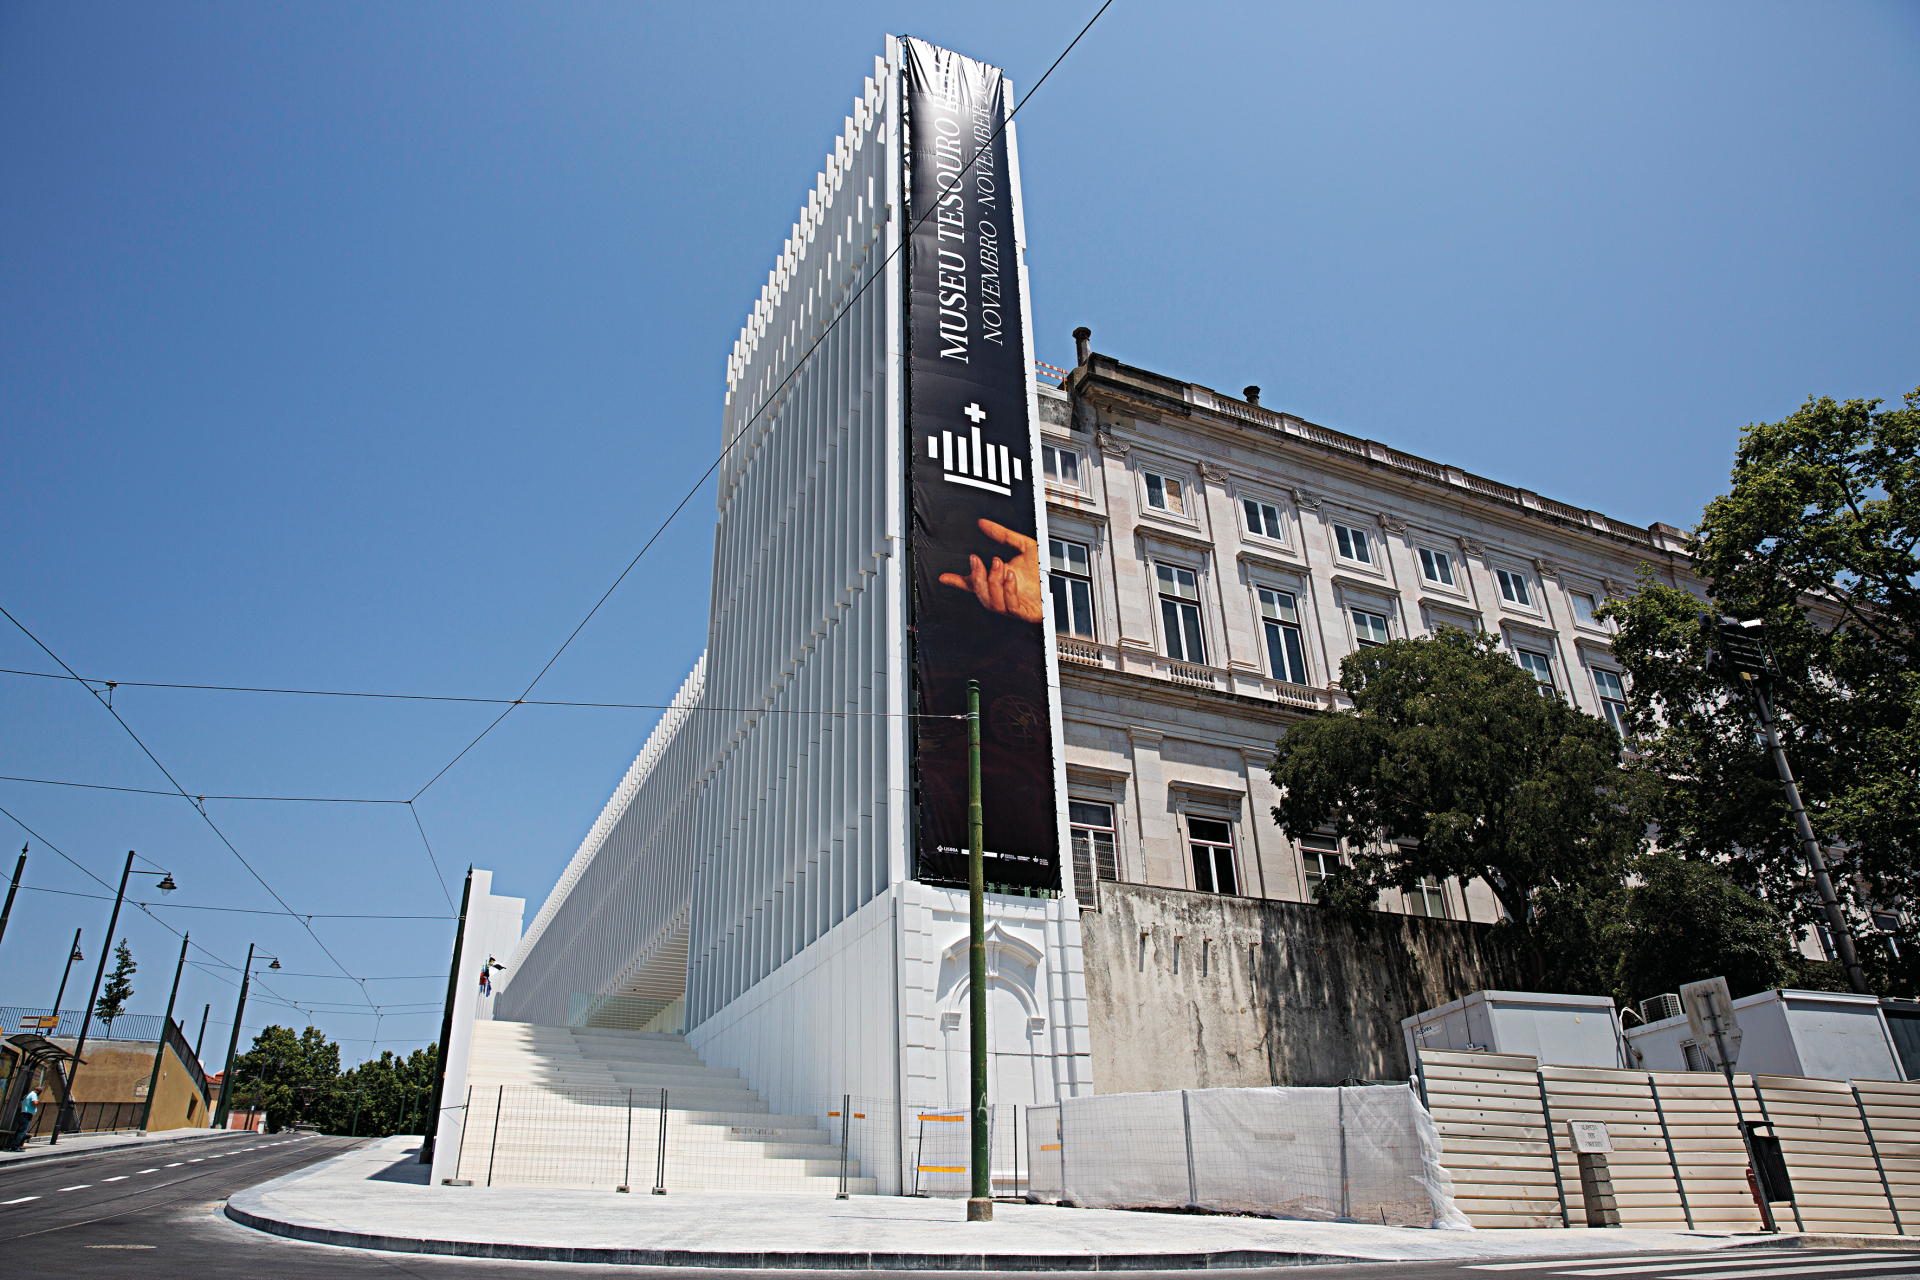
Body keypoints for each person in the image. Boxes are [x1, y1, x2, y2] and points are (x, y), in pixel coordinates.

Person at [11, 1085, 39, 1151]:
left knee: (18, 1131)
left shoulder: (26, 1095)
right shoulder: (34, 1094)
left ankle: (12, 1146)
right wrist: (38, 1101)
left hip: (22, 1114)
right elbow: (34, 1103)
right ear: (38, 1091)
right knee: (22, 1132)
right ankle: (15, 1147)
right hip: (27, 1115)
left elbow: (20, 1104)